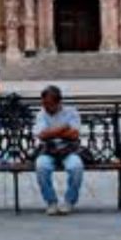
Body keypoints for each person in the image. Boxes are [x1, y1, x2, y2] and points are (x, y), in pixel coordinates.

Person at [34, 84, 84, 215]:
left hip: (69, 149)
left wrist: (51, 132)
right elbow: (42, 135)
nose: (45, 106)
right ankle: (51, 201)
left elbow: (74, 135)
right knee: (41, 167)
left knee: (76, 167)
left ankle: (69, 201)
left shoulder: (71, 112)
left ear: (58, 102)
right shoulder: (41, 114)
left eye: (48, 104)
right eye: (43, 103)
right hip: (48, 149)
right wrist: (63, 128)